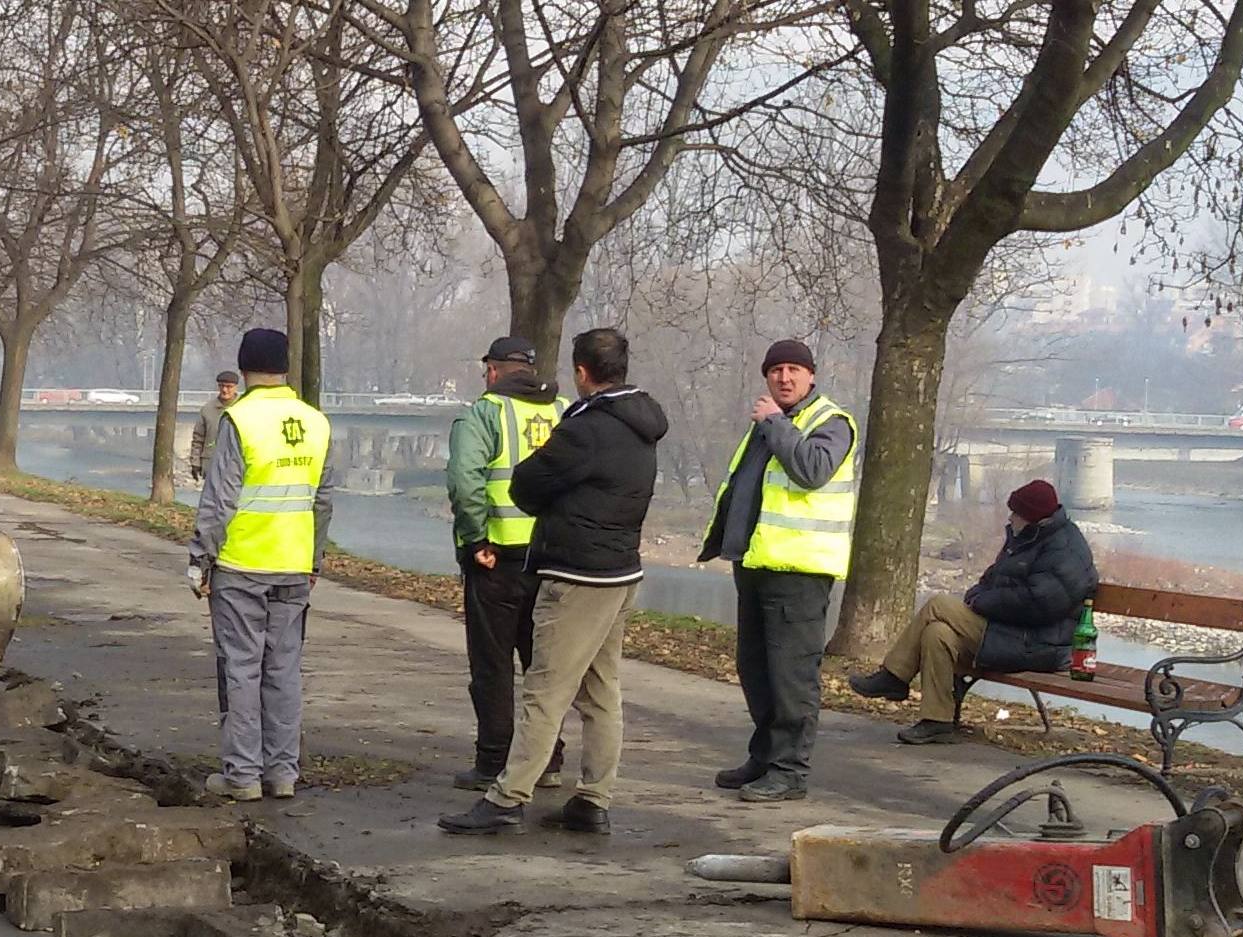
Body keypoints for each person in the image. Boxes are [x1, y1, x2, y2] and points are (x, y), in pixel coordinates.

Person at [439, 327, 666, 837]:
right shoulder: (641, 423)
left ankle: (507, 795)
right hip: (620, 570)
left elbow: (525, 484)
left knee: (544, 689)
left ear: (582, 373)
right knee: (601, 690)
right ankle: (593, 798)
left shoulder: (585, 426)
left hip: (573, 572)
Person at [700, 338, 859, 802]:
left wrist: (773, 423)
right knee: (756, 671)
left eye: (794, 370)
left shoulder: (829, 422)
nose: (784, 378)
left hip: (799, 571)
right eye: (776, 370)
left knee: (791, 677)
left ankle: (789, 771)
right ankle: (765, 756)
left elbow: (812, 470)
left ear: (812, 376)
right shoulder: (773, 422)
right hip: (756, 563)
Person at [184, 328, 332, 801]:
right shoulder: (315, 422)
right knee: (284, 671)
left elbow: (219, 498)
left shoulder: (239, 420)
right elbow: (322, 501)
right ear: (285, 366)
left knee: (242, 670)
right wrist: (314, 559)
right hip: (293, 566)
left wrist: (199, 559)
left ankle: (242, 776)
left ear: (244, 368)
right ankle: (283, 773)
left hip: (241, 564)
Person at [848, 479, 1095, 743]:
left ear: (1032, 517)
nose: (1010, 518)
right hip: (1010, 633)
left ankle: (895, 676)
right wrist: (978, 595)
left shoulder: (1065, 549)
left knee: (937, 605)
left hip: (1039, 644)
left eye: (1016, 513)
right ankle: (937, 721)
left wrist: (983, 603)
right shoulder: (1028, 538)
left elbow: (1037, 604)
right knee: (937, 633)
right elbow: (994, 578)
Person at [442, 335, 565, 790]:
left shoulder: (486, 413)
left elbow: (464, 480)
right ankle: (547, 760)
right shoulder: (562, 410)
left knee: (493, 665)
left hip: (497, 558)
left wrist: (475, 539)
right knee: (544, 665)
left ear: (492, 370)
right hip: (551, 558)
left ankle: (494, 760)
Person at [186, 369, 240, 486]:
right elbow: (198, 438)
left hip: (236, 464)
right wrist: (195, 462)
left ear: (236, 387)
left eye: (229, 386)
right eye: (222, 386)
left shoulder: (243, 407)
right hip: (211, 463)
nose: (225, 390)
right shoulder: (207, 409)